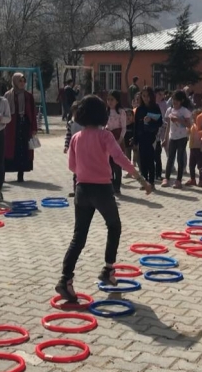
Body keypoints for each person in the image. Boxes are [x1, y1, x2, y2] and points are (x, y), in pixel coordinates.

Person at [55, 95, 152, 302]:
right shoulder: (105, 136)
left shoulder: (76, 137)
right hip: (101, 190)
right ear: (102, 114)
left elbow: (72, 167)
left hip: (81, 189)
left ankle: (65, 279)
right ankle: (108, 269)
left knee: (78, 237)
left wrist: (85, 167)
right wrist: (141, 180)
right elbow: (120, 158)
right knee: (114, 226)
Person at [4, 73, 38, 182]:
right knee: (9, 148)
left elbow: (33, 113)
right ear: (15, 81)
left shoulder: (28, 96)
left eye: (24, 81)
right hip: (11, 126)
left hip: (24, 125)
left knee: (23, 148)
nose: (22, 83)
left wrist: (33, 128)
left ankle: (21, 174)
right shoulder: (7, 95)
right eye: (20, 81)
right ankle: (3, 173)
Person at [162, 90, 193, 188]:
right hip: (173, 137)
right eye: (173, 100)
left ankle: (178, 180)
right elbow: (167, 126)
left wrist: (179, 119)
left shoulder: (184, 111)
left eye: (177, 100)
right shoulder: (169, 110)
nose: (174, 102)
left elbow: (189, 125)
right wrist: (165, 138)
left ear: (182, 101)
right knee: (170, 158)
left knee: (180, 158)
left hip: (182, 138)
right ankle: (166, 178)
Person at [133, 87, 163, 189]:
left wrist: (151, 120)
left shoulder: (155, 107)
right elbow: (136, 125)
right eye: (143, 96)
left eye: (148, 96)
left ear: (151, 96)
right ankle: (144, 181)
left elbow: (160, 122)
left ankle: (151, 181)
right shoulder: (139, 109)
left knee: (150, 160)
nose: (146, 98)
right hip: (141, 137)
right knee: (142, 160)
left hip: (151, 137)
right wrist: (135, 139)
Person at [105, 91, 126, 196]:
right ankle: (110, 185)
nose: (109, 102)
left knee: (117, 165)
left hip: (117, 138)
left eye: (112, 99)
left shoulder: (121, 112)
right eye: (108, 99)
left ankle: (117, 187)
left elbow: (124, 128)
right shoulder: (106, 111)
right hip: (107, 139)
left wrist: (120, 139)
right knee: (109, 165)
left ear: (117, 100)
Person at [64, 101, 83, 197]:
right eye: (74, 112)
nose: (76, 114)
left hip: (83, 151)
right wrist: (66, 146)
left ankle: (81, 191)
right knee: (75, 171)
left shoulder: (85, 124)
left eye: (78, 111)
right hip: (74, 150)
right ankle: (75, 190)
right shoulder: (71, 123)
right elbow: (68, 135)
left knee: (82, 171)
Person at [185, 109, 202, 187]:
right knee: (191, 165)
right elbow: (188, 132)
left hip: (200, 148)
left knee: (200, 166)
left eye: (196, 116)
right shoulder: (192, 125)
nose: (194, 118)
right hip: (192, 147)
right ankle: (193, 179)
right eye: (193, 116)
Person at [154, 89, 169, 181]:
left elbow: (167, 115)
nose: (161, 96)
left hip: (164, 127)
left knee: (167, 146)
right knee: (155, 152)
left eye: (163, 94)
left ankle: (170, 165)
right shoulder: (152, 104)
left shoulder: (165, 104)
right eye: (159, 94)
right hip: (155, 130)